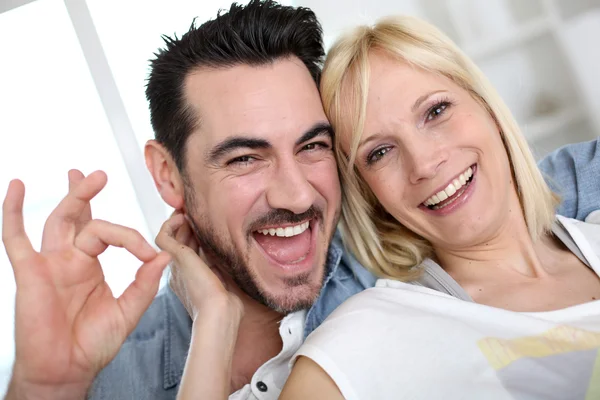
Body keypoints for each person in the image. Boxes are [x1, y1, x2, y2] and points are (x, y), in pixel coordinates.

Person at [1, 3, 597, 400]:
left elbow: (523, 193)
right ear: (169, 175)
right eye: (245, 158)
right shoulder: (110, 374)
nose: (294, 194)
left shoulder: (404, 243)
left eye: (313, 146)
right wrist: (43, 388)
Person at [278, 15, 600, 399]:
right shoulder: (372, 333)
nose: (424, 164)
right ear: (369, 193)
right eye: (380, 152)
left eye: (435, 111)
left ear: (485, 105)